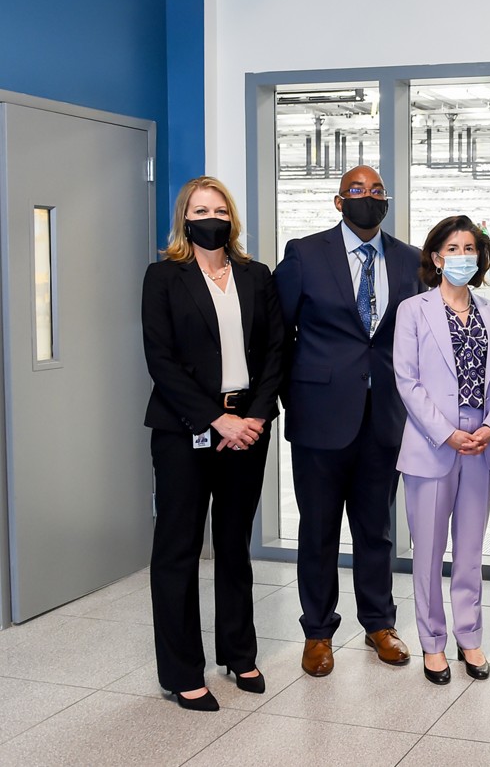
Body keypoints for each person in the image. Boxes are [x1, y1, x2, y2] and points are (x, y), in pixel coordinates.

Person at [274, 165, 425, 677]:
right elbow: (279, 333)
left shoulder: (408, 260)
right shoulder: (304, 254)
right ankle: (318, 632)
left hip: (383, 418)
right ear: (339, 201)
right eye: (356, 190)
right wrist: (289, 399)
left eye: (377, 190)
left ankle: (379, 623)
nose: (368, 197)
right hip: (319, 417)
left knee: (376, 530)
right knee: (318, 530)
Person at [142, 176, 284, 711]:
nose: (211, 218)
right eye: (201, 210)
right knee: (178, 549)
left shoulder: (255, 275)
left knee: (233, 545)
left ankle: (238, 652)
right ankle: (182, 671)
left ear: (232, 218)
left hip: (248, 426)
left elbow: (275, 351)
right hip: (185, 430)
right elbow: (160, 360)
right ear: (185, 218)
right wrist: (215, 419)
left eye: (220, 210)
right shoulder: (163, 277)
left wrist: (254, 416)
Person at [393, 216, 490, 685]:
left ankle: (469, 635)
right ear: (436, 258)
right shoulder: (413, 310)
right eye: (453, 248)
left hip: (481, 445)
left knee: (470, 550)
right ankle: (432, 642)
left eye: (470, 248)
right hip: (433, 444)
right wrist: (446, 433)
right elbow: (407, 381)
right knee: (428, 552)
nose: (462, 256)